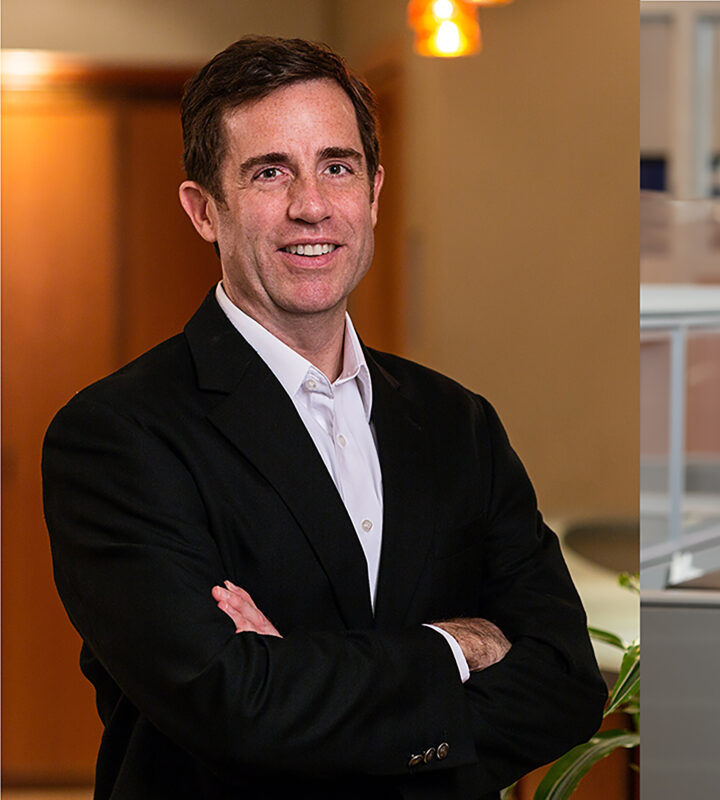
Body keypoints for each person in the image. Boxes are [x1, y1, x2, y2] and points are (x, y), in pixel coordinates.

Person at [42, 35, 605, 800]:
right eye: (270, 172)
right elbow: (231, 706)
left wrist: (295, 676)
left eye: (336, 166)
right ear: (204, 209)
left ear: (373, 193)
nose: (311, 206)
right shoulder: (116, 436)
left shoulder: (457, 423)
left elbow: (566, 682)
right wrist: (452, 646)